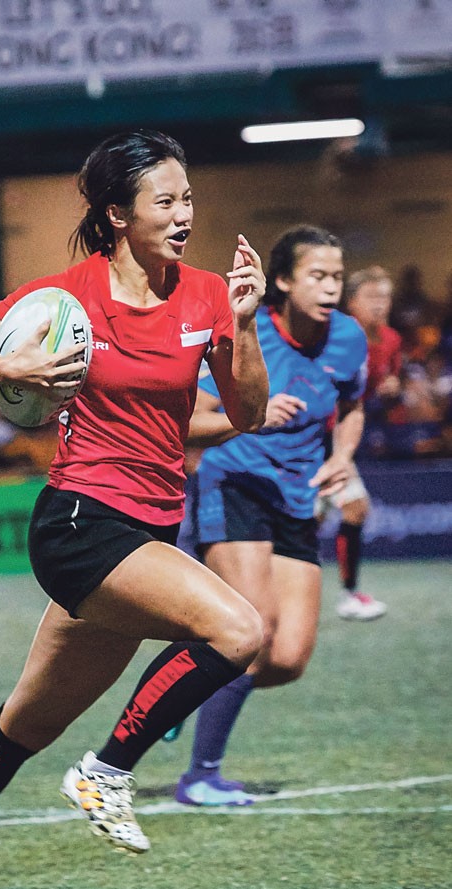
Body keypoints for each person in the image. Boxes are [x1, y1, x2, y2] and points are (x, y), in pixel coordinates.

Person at [0, 129, 269, 889]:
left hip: (151, 526)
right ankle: (105, 772)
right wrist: (6, 372)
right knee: (238, 630)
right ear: (117, 214)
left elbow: (248, 414)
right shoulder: (65, 297)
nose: (183, 213)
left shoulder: (203, 298)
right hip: (81, 522)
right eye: (165, 200)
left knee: (23, 726)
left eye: (188, 197)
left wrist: (246, 324)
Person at [170, 224, 368, 807]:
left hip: (296, 497)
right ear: (282, 281)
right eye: (318, 276)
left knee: (287, 658)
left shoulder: (349, 339)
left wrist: (343, 456)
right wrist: (249, 410)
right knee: (255, 635)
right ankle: (200, 776)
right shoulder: (250, 333)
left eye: (337, 276)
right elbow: (192, 410)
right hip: (234, 484)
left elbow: (354, 404)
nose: (331, 286)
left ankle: (180, 690)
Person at [316, 266, 398, 621]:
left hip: (342, 439)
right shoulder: (334, 333)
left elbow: (374, 388)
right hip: (311, 437)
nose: (380, 305)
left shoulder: (391, 340)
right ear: (352, 302)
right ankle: (347, 596)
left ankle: (345, 594)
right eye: (372, 297)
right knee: (351, 509)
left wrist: (390, 390)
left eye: (385, 297)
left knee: (314, 519)